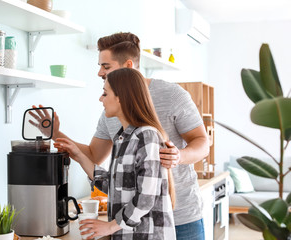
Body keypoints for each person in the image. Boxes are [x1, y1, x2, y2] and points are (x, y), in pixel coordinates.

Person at [32, 32, 209, 240]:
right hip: (131, 224)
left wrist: (179, 156)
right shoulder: (114, 118)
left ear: (128, 67)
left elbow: (203, 143)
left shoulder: (171, 96)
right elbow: (96, 158)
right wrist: (56, 135)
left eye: (106, 67)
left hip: (180, 216)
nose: (99, 73)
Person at [54, 68, 176, 239]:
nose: (100, 99)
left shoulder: (146, 136)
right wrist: (79, 156)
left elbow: (146, 198)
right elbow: (113, 184)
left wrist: (110, 227)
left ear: (120, 98)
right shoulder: (123, 137)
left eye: (105, 94)